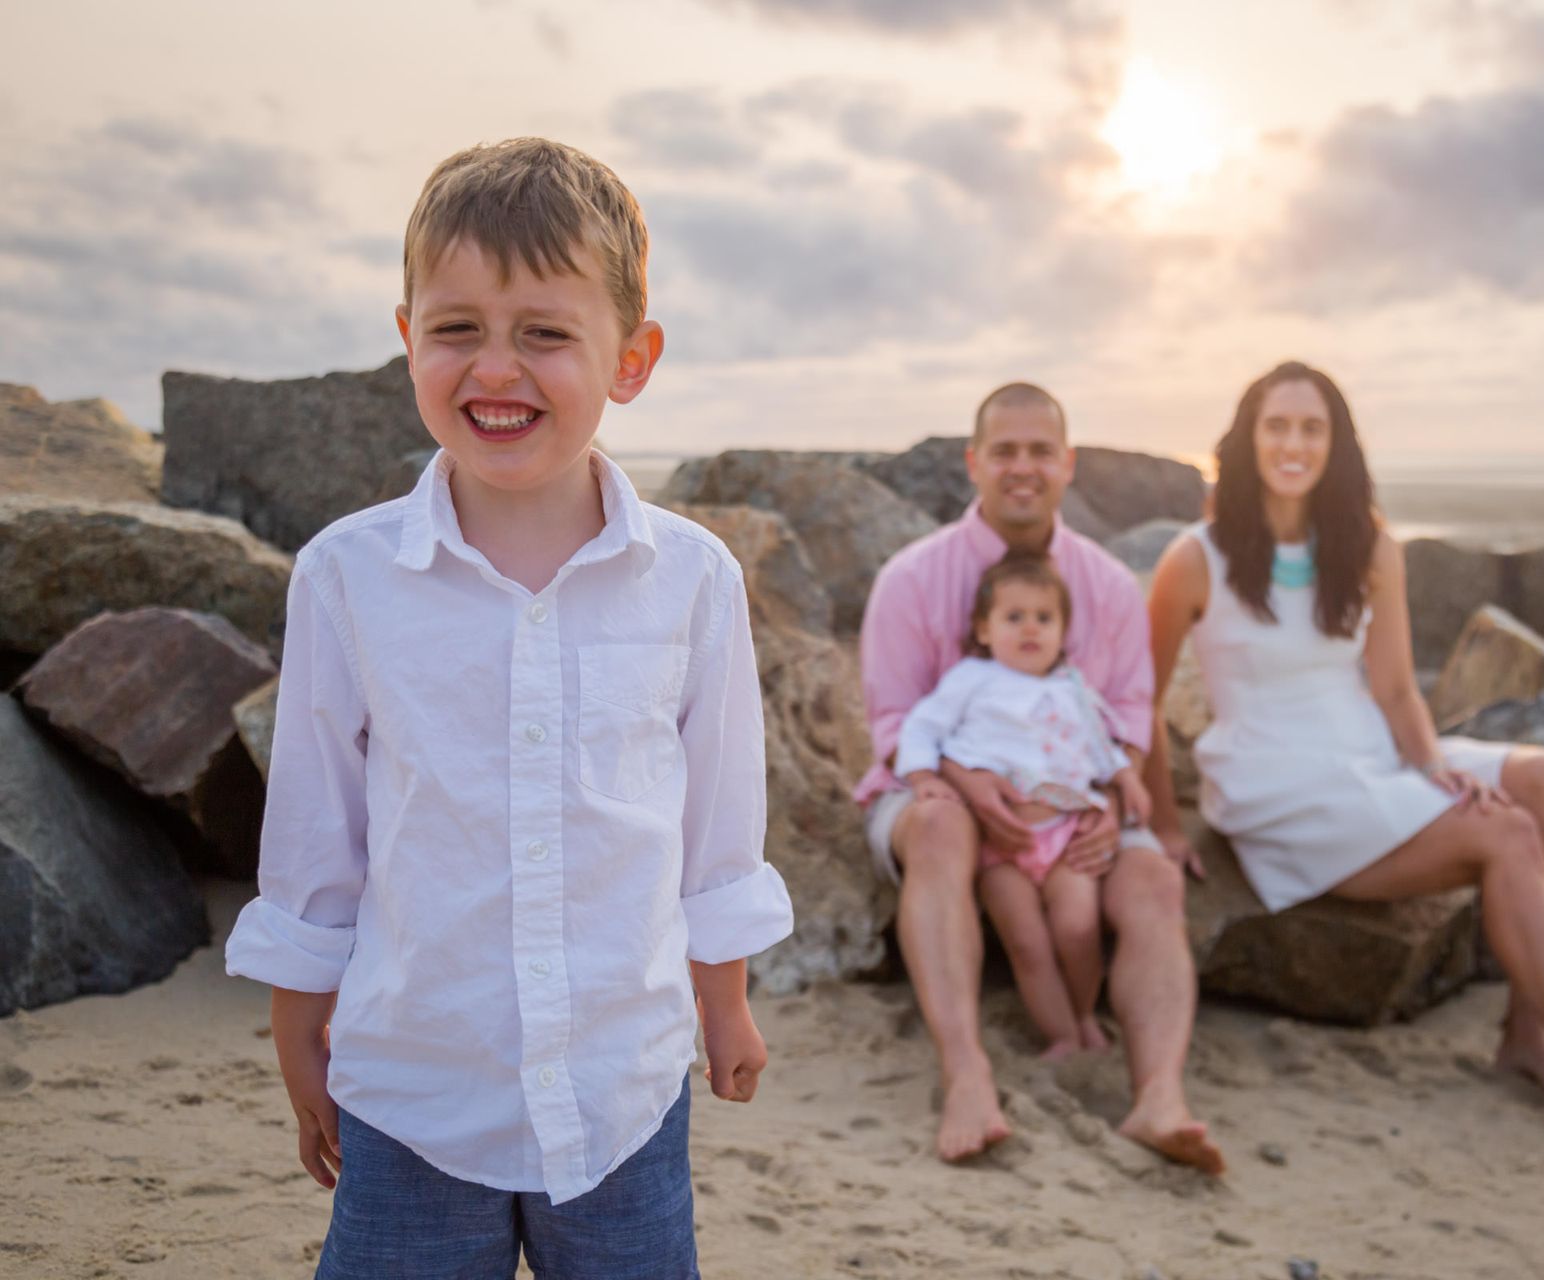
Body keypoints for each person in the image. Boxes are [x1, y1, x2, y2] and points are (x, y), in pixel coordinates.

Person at [224, 138, 795, 1279]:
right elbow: (315, 822)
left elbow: (716, 817)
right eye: (456, 329)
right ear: (406, 340)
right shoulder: (350, 575)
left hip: (622, 1087)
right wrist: (299, 1016)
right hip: (414, 1082)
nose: (496, 368)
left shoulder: (692, 577)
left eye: (544, 332)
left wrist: (722, 998)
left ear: (631, 358)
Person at [1143, 360, 1544, 1151]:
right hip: (1282, 785)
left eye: (1313, 428)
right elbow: (1141, 696)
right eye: (1277, 426)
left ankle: (1527, 1037)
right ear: (1246, 440)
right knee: (1505, 835)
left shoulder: (1368, 545)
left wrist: (1432, 767)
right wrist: (1167, 826)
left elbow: (1398, 688)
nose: (1294, 444)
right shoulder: (1196, 558)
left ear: (1337, 444)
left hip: (1370, 752)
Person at [857, 383, 1223, 1174]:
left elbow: (1128, 715)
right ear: (974, 463)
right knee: (945, 822)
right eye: (1005, 451)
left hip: (1075, 801)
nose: (1023, 468)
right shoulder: (913, 579)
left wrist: (1116, 796)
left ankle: (1159, 1094)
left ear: (1068, 464)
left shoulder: (1108, 588)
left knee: (1153, 880)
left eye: (1040, 452)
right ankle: (968, 1074)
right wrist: (967, 781)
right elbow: (894, 730)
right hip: (936, 790)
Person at [895, 552, 1154, 1061]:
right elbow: (923, 726)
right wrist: (923, 776)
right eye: (1014, 617)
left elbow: (1102, 743)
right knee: (1028, 944)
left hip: (1063, 833)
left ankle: (1082, 1014)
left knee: (1077, 928)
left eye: (1044, 618)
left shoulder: (1071, 686)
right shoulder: (972, 678)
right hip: (1001, 841)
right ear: (984, 629)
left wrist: (1127, 779)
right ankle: (1060, 1034)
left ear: (1063, 630)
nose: (1030, 629)